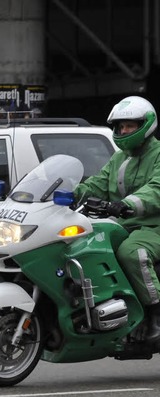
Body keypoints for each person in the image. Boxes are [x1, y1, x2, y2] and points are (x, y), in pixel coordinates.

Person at [74, 95, 160, 344]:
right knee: (89, 248)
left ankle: (155, 313)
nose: (123, 131)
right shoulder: (119, 159)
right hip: (125, 225)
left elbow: (156, 188)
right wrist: (70, 192)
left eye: (129, 126)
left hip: (153, 225)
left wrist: (125, 205)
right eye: (120, 127)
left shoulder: (158, 155)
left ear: (146, 124)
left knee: (132, 253)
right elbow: (98, 183)